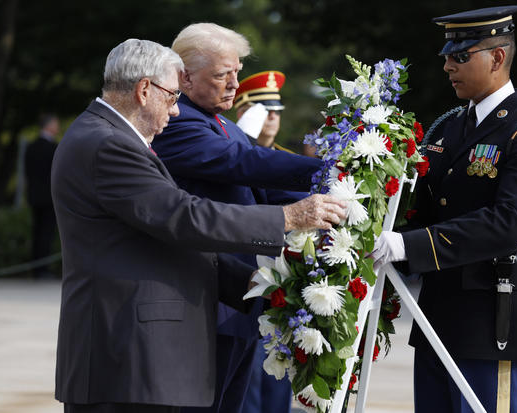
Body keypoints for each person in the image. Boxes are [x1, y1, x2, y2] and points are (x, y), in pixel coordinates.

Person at [51, 38, 346, 413]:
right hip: (127, 355)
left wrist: (268, 291)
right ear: (145, 90)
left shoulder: (110, 137)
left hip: (138, 357)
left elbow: (164, 238)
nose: (175, 112)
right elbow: (183, 217)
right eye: (173, 97)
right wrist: (288, 217)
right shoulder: (108, 143)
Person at [371, 6, 517, 413]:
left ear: (496, 58)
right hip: (440, 307)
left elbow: (512, 221)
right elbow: (422, 206)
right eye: (446, 57)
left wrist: (410, 246)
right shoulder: (449, 126)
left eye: (460, 56)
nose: (447, 66)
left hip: (492, 311)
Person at [152, 24, 323, 413]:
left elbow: (268, 192)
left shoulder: (222, 123)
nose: (234, 83)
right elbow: (243, 163)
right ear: (185, 77)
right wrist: (322, 168)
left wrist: (337, 196)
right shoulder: (179, 123)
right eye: (221, 75)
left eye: (237, 70)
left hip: (239, 300)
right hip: (204, 303)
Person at [234, 70, 293, 413]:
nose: (273, 115)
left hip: (281, 283)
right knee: (246, 388)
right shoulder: (226, 152)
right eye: (262, 108)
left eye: (276, 109)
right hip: (241, 281)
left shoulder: (289, 160)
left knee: (276, 383)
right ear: (243, 110)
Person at [25, 113, 60, 279]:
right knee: (46, 233)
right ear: (49, 126)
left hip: (34, 196)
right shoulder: (54, 148)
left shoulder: (31, 147)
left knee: (36, 232)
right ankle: (43, 269)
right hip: (49, 197)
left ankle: (35, 268)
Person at [234, 70, 288, 151]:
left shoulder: (290, 159)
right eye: (265, 110)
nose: (273, 117)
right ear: (241, 114)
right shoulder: (227, 152)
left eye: (277, 111)